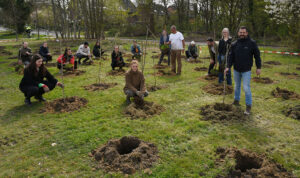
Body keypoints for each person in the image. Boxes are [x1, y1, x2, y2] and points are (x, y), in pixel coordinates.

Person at [224, 26, 262, 115]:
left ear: (247, 33)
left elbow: (257, 56)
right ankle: (236, 100)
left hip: (246, 70)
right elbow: (231, 57)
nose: (242, 34)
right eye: (240, 32)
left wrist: (258, 67)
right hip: (236, 69)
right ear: (238, 33)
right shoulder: (234, 44)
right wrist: (228, 67)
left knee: (246, 87)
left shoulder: (252, 43)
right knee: (237, 86)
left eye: (243, 32)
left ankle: (248, 106)